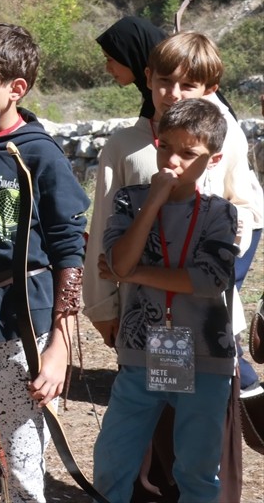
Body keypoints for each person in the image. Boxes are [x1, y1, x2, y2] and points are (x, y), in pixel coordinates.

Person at [0, 24, 87, 503]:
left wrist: (60, 345)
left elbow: (70, 247)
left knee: (20, 465)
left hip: (21, 319)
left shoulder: (38, 152)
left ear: (15, 88)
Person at [92, 98, 237, 503]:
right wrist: (154, 201)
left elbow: (209, 280)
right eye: (164, 147)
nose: (172, 161)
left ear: (213, 159)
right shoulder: (129, 200)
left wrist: (133, 273)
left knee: (196, 469)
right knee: (112, 460)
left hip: (206, 358)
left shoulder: (220, 213)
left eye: (188, 153)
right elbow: (119, 258)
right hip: (141, 353)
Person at [83, 16, 168, 346]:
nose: (108, 68)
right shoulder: (130, 142)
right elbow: (107, 218)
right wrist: (103, 304)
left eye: (111, 58)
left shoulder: (213, 130)